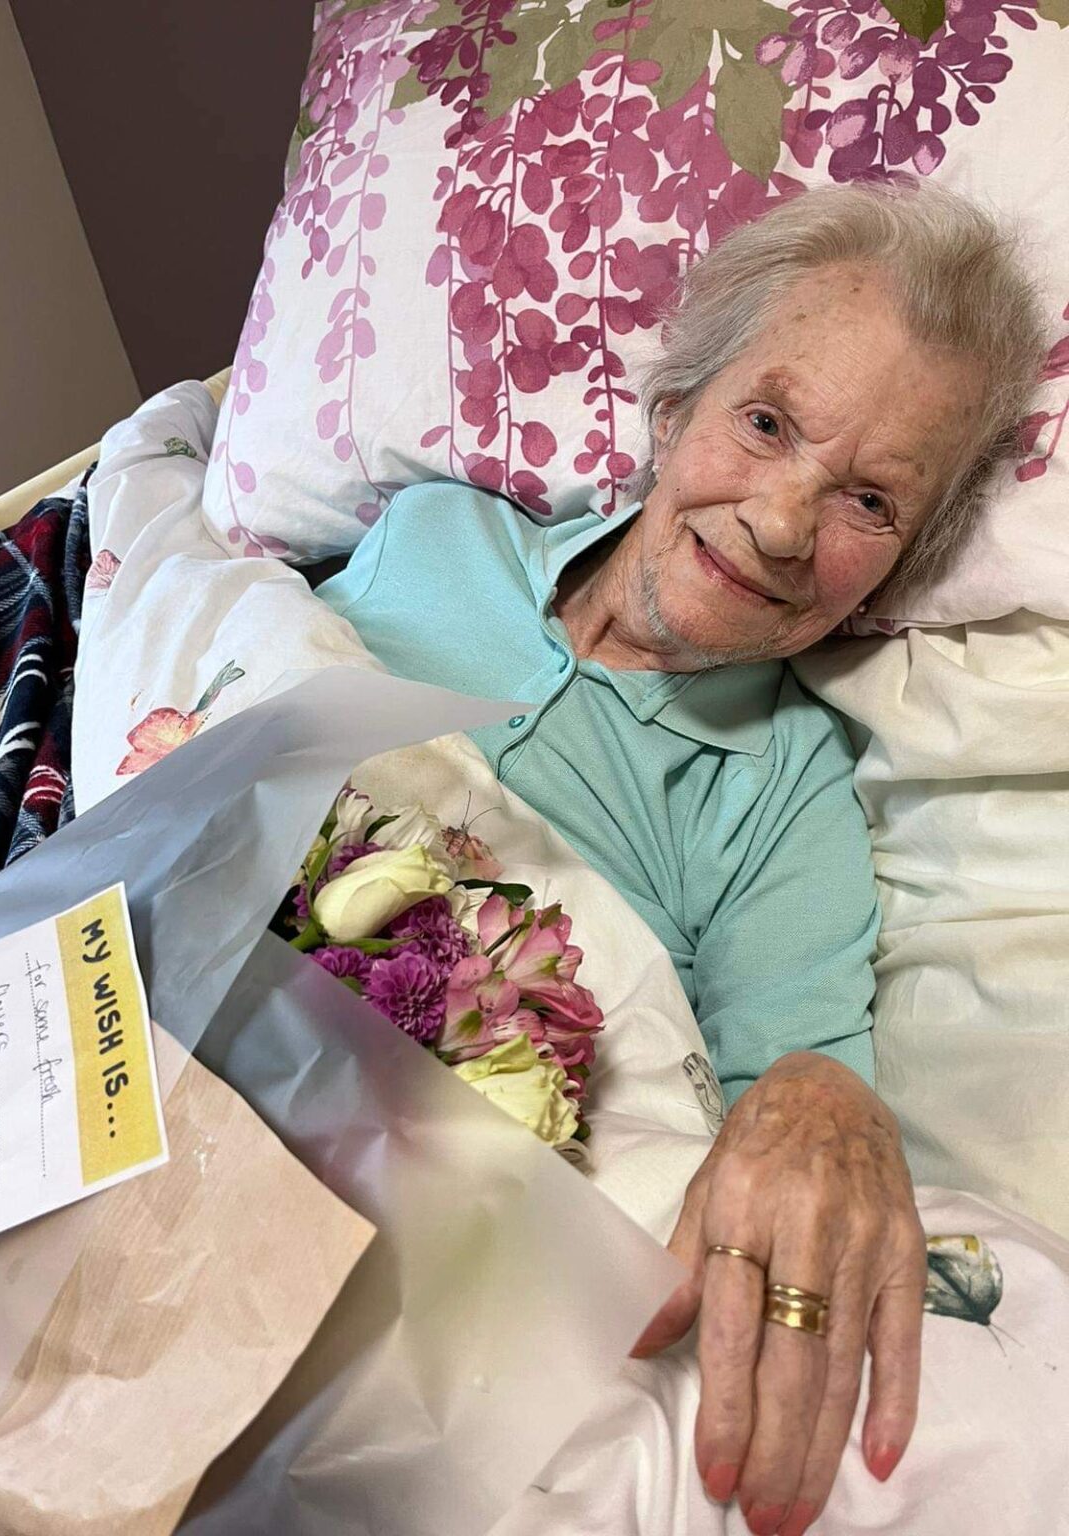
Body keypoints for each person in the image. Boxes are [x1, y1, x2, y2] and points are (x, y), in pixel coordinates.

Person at [316, 181, 1046, 1536]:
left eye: (869, 501)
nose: (780, 522)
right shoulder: (433, 539)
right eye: (766, 423)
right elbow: (213, 673)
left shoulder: (784, 796)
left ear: (900, 569)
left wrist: (822, 1105)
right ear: (674, 410)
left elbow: (793, 1100)